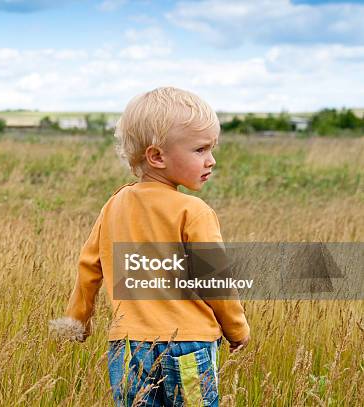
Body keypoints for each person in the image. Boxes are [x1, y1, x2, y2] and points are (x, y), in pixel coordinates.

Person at [49, 87, 250, 406]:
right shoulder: (193, 211)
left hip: (127, 349)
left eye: (212, 149)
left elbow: (88, 268)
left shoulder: (113, 206)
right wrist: (236, 329)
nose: (211, 160)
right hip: (188, 345)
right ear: (156, 156)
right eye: (200, 150)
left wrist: (78, 321)